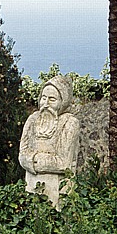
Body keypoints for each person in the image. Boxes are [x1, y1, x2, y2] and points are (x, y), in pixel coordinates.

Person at [19, 75, 80, 207]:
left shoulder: (69, 123)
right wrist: (37, 160)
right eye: (43, 98)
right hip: (32, 186)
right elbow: (22, 155)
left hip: (58, 192)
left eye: (52, 99)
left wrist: (33, 160)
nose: (45, 104)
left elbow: (63, 163)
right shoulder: (32, 119)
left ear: (62, 102)